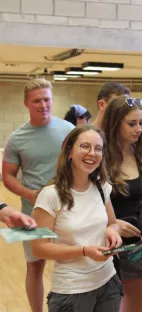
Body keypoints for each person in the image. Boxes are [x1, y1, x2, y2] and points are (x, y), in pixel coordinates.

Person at [31, 125, 123, 312]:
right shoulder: (50, 195)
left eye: (98, 149)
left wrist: (112, 232)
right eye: (85, 146)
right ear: (69, 152)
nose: (92, 153)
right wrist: (84, 251)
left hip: (108, 282)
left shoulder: (101, 187)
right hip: (71, 291)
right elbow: (39, 248)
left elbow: (113, 223)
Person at [2, 78, 74, 312]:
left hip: (69, 209)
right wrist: (29, 194)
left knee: (73, 262)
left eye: (47, 99)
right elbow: (8, 176)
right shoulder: (16, 138)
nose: (43, 105)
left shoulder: (69, 131)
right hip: (30, 213)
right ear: (26, 103)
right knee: (35, 267)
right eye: (37, 101)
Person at [102, 95, 142, 312]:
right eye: (132, 124)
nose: (138, 129)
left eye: (141, 123)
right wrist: (113, 223)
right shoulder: (100, 158)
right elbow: (88, 204)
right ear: (116, 123)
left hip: (136, 245)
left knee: (135, 307)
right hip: (104, 244)